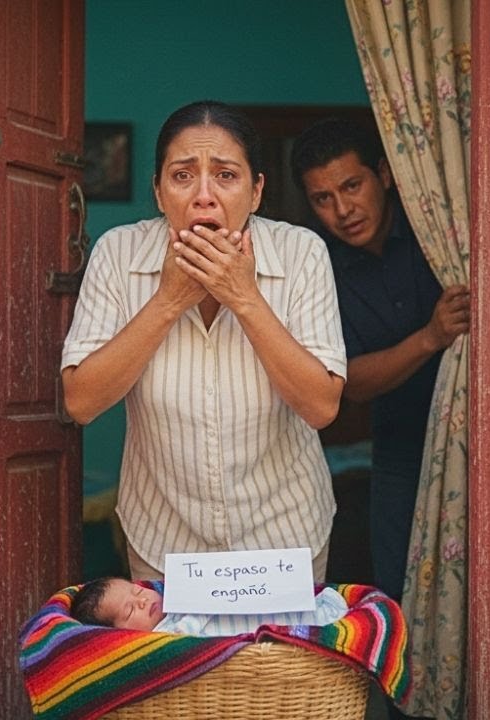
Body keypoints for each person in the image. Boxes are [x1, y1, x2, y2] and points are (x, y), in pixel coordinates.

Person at [61, 101, 348, 583]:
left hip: (285, 536)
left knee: (278, 642)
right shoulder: (117, 254)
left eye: (226, 175)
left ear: (257, 192)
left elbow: (321, 406)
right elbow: (81, 402)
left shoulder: (302, 254)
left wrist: (243, 296)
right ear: (158, 192)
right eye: (182, 176)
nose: (204, 197)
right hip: (164, 541)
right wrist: (168, 301)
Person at [290, 119, 470, 607]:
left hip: (479, 435)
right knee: (398, 592)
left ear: (385, 175)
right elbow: (351, 382)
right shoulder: (319, 268)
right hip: (398, 448)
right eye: (323, 198)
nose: (343, 210)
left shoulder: (443, 234)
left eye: (352, 185)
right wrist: (431, 337)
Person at [70, 576, 348, 636]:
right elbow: (185, 639)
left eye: (138, 590)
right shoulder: (163, 638)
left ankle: (323, 610)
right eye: (131, 610)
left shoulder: (176, 598)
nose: (142, 600)